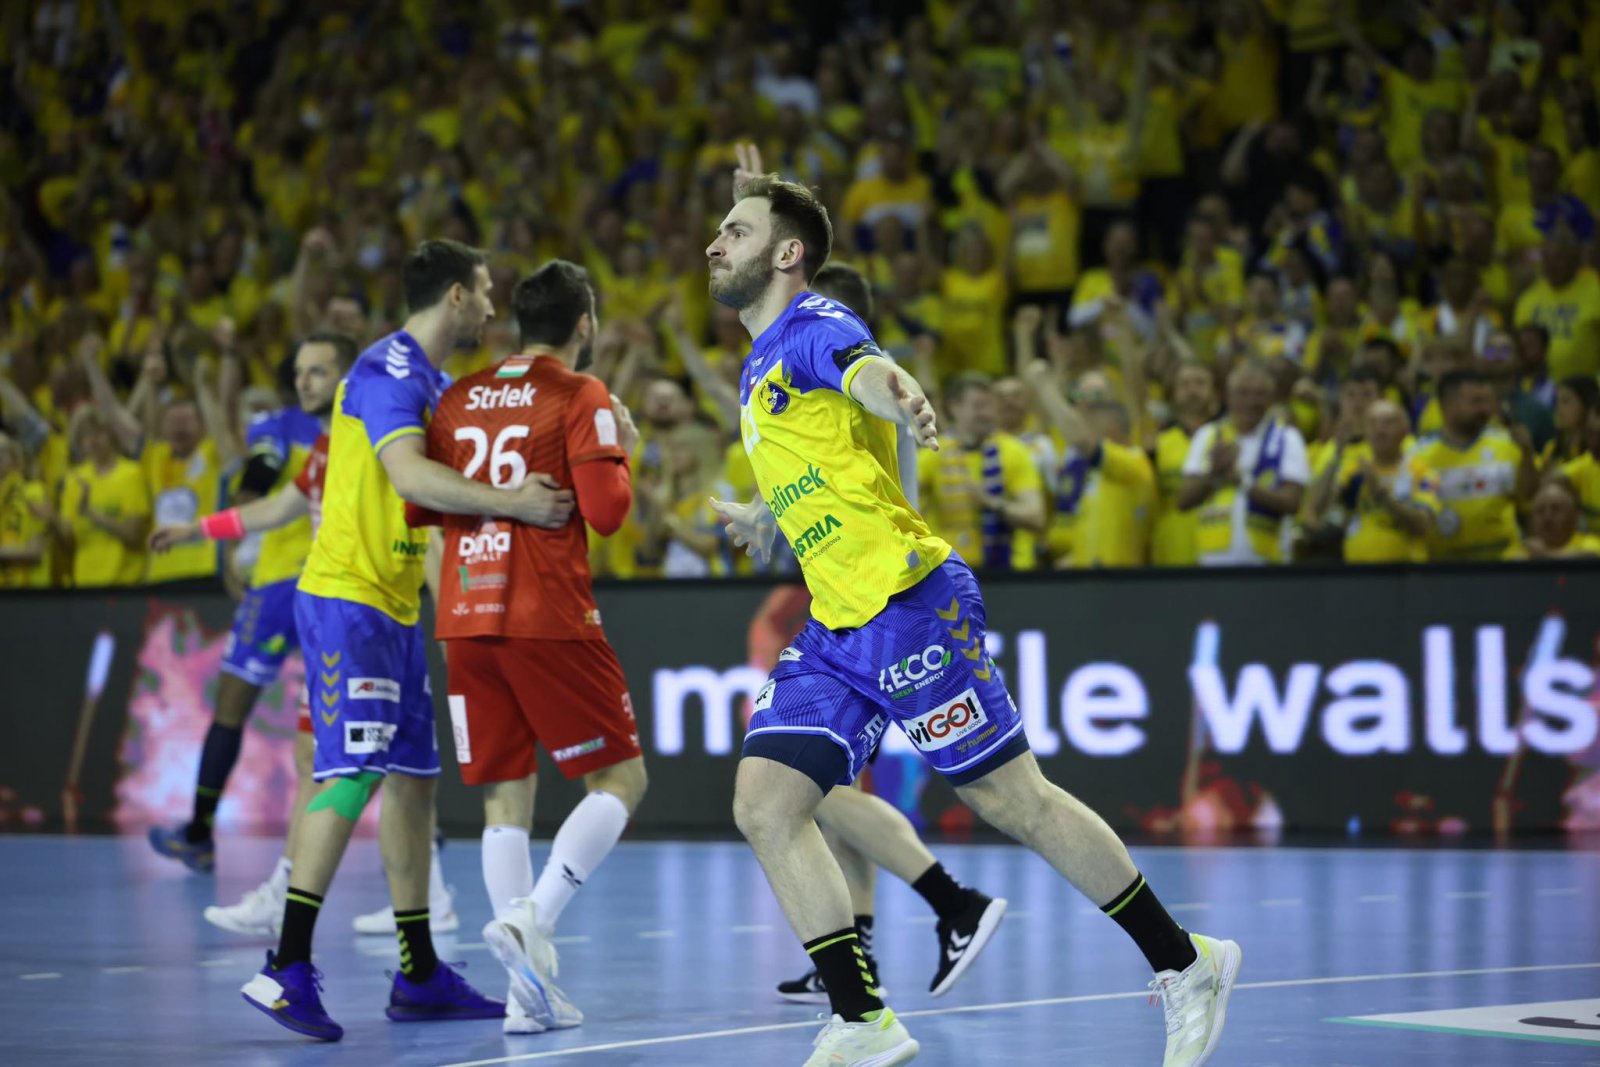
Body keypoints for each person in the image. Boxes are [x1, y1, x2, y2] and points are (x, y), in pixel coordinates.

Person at [706, 160, 1240, 1067]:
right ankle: (862, 1019)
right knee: (765, 802)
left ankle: (1188, 962)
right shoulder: (760, 364)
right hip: (838, 624)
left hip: (907, 602)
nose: (715, 242)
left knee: (1011, 797)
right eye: (722, 228)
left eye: (738, 230)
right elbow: (830, 454)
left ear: (787, 255)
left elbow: (865, 372)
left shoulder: (814, 324)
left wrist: (900, 390)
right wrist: (767, 515)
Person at [241, 240, 574, 1041]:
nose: (491, 307)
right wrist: (516, 504)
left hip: (393, 609)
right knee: (352, 771)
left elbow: (430, 517)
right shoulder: (387, 369)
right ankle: (285, 964)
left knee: (417, 779)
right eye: (484, 292)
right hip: (347, 601)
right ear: (456, 294)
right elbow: (413, 480)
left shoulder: (435, 384)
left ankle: (418, 970)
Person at [405, 260, 648, 1034]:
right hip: (547, 613)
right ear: (585, 323)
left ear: (516, 322)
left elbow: (422, 506)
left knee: (504, 797)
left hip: (464, 616)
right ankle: (533, 915)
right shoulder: (581, 393)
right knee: (622, 777)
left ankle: (524, 996)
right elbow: (607, 512)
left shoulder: (457, 397)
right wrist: (622, 449)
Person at [770, 257, 1008, 1006]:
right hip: (851, 596)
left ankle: (953, 901)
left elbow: (872, 442)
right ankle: (857, 947)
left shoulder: (849, 373)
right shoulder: (824, 394)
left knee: (807, 791)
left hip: (878, 599)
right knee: (830, 786)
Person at [1176, 361, 1310, 566]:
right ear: (1228, 397)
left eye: (1259, 394)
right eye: (1243, 393)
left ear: (1271, 398)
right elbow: (1183, 501)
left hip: (1268, 563)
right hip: (1212, 563)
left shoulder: (1287, 438)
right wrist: (1214, 475)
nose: (1250, 401)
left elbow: (1292, 503)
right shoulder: (1207, 435)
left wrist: (1243, 483)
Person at [1397, 368, 1533, 562]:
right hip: (1441, 569)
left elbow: (1528, 499)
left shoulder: (1507, 444)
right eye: (1476, 402)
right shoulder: (1416, 456)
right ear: (1448, 406)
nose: (1485, 409)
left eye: (1488, 401)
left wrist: (1527, 454)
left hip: (1502, 566)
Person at [1505, 480, 1600, 560]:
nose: (1547, 517)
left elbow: (1592, 557)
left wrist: (1544, 554)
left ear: (1573, 516)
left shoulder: (1590, 544)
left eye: (1556, 509)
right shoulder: (1521, 550)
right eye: (1540, 511)